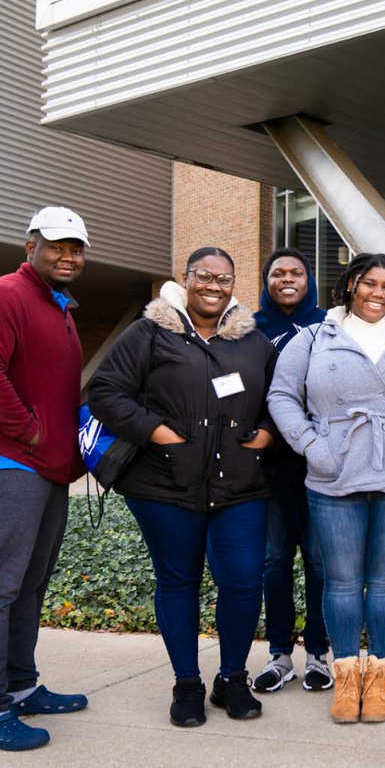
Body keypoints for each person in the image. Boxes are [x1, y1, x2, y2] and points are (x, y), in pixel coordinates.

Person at [268, 253, 385, 724]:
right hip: (334, 474)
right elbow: (281, 396)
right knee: (340, 581)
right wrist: (315, 448)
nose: (378, 293)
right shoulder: (315, 338)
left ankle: (378, 677)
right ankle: (347, 675)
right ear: (351, 285)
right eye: (369, 283)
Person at [88, 247, 277, 727]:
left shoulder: (254, 342)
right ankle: (187, 683)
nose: (214, 286)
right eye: (204, 276)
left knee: (241, 582)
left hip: (241, 484)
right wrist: (159, 433)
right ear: (186, 279)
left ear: (235, 285)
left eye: (224, 278)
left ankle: (233, 677)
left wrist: (268, 434)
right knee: (178, 581)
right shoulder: (149, 332)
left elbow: (282, 396)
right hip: (165, 484)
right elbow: (105, 391)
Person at [0, 207, 91, 752]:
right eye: (57, 245)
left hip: (45, 466)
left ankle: (20, 686)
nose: (68, 256)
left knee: (29, 585)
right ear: (30, 243)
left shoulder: (57, 306)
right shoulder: (1, 294)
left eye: (76, 248)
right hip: (4, 460)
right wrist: (31, 433)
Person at [251, 248, 331, 693]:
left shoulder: (328, 325)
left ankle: (319, 654)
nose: (286, 279)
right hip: (270, 467)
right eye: (277, 273)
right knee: (275, 560)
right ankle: (279, 654)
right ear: (266, 281)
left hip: (320, 466)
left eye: (296, 272)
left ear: (308, 279)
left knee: (319, 563)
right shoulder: (249, 329)